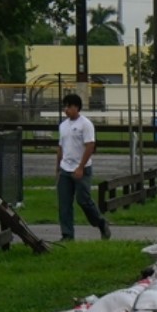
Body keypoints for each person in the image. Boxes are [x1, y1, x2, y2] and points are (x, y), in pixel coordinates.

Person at [55, 93, 111, 241]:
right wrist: (58, 168)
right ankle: (67, 234)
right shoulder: (63, 125)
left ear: (77, 107)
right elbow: (60, 147)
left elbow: (90, 146)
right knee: (64, 203)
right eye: (65, 106)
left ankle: (100, 222)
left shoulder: (85, 124)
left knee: (83, 200)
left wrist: (80, 167)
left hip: (81, 169)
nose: (66, 110)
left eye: (69, 106)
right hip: (65, 169)